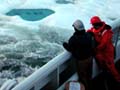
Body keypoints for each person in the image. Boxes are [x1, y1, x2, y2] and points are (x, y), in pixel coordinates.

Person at [63, 20, 95, 90]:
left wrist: (64, 44)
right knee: (89, 75)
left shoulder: (74, 39)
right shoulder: (89, 35)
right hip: (90, 58)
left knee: (82, 77)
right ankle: (91, 86)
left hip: (81, 61)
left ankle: (86, 88)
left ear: (75, 28)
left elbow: (70, 48)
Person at [87, 16, 120, 84]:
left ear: (97, 24)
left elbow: (104, 44)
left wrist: (95, 49)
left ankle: (118, 79)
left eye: (93, 24)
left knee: (111, 67)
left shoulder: (106, 31)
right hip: (100, 52)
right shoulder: (94, 29)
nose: (93, 26)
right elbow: (90, 31)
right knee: (103, 66)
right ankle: (106, 75)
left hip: (107, 52)